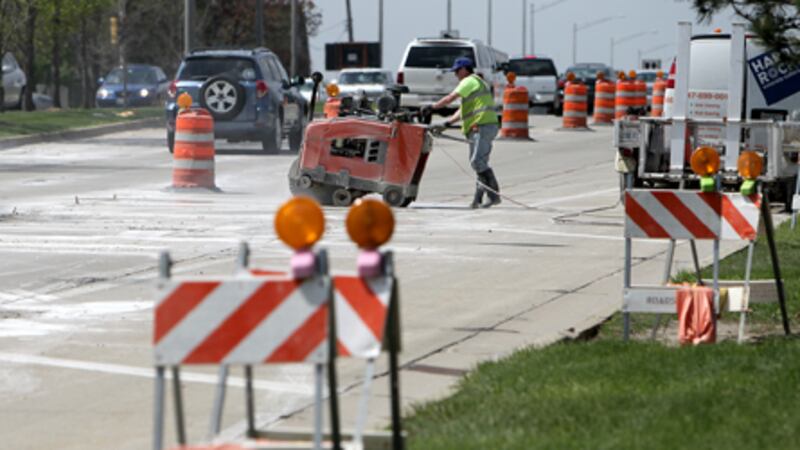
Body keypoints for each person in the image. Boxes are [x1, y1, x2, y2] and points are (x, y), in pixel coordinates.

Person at [426, 57, 501, 208]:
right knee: (478, 163)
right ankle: (477, 200)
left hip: (482, 125)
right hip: (481, 125)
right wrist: (447, 123)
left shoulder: (469, 81)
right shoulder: (475, 83)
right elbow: (462, 111)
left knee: (477, 162)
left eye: (457, 71)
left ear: (465, 70)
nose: (455, 75)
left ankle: (493, 195)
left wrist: (433, 107)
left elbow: (449, 98)